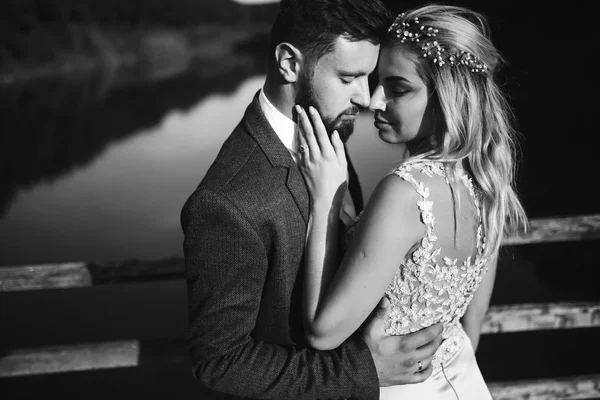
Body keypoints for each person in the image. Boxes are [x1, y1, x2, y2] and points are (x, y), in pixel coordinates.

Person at [180, 1, 445, 399]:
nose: (365, 97)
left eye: (368, 76)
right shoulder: (225, 202)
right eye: (348, 77)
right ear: (289, 63)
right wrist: (363, 369)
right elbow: (220, 361)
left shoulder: (326, 130)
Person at [296, 4, 528, 400]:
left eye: (398, 89)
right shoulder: (487, 183)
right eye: (375, 81)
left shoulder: (405, 191)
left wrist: (325, 203)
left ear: (448, 96)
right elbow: (469, 329)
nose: (373, 101)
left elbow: (321, 331)